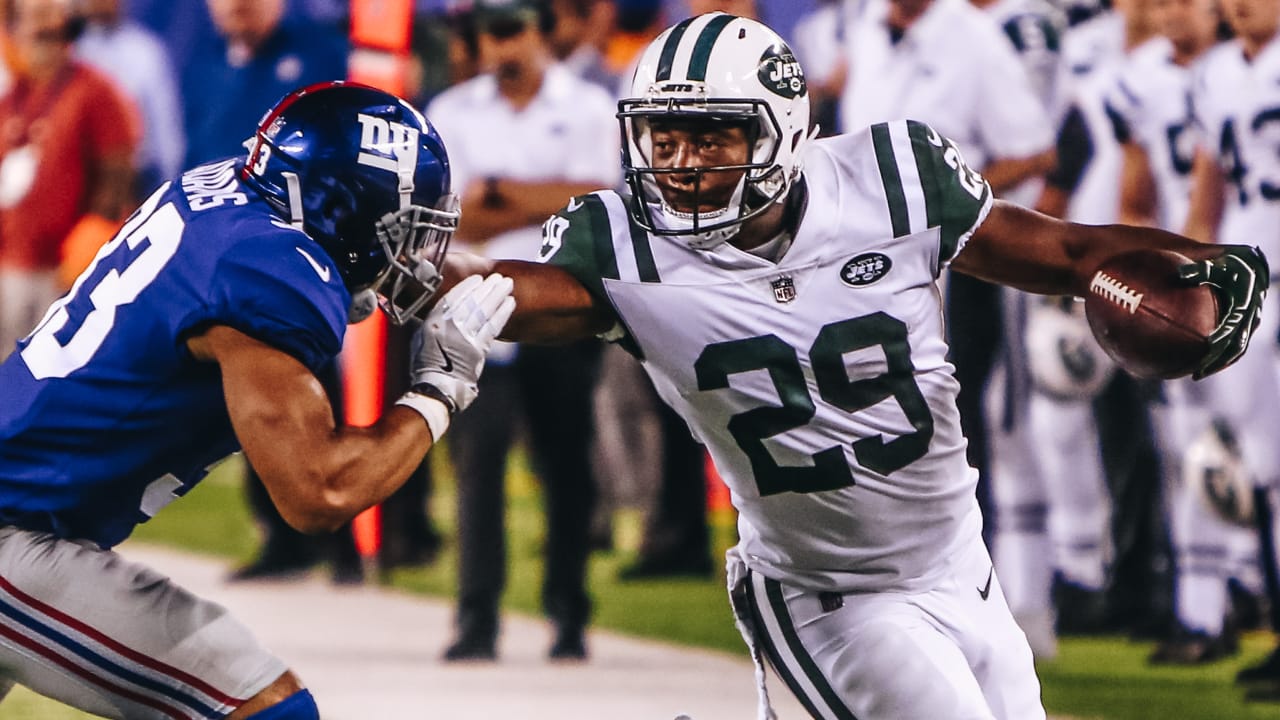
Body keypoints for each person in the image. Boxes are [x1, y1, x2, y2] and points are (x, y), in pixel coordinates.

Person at [441, 13, 1268, 718]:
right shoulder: (622, 247)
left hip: (960, 565)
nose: (684, 162)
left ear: (783, 128)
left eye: (711, 133)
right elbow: (512, 295)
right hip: (828, 595)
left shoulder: (890, 180)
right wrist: (406, 275)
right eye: (664, 136)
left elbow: (1065, 250)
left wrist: (1214, 265)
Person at [0, 81, 513, 719]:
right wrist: (439, 389)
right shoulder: (268, 275)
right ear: (344, 211)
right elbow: (321, 493)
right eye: (400, 229)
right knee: (265, 708)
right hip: (13, 534)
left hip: (26, 511)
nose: (408, 252)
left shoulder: (225, 196)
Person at [425, 0, 618, 662]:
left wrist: (500, 191)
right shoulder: (452, 113)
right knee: (476, 467)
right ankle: (475, 620)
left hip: (563, 307)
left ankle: (569, 615)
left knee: (566, 465)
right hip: (475, 311)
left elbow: (600, 204)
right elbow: (447, 221)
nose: (501, 46)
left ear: (541, 32)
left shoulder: (589, 107)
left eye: (512, 31)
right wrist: (544, 198)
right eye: (489, 34)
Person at [180, 0, 356, 581]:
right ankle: (281, 534)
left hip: (299, 251)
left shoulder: (321, 50)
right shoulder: (204, 58)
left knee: (320, 385)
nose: (236, 7)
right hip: (226, 257)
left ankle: (348, 537)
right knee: (247, 395)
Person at [1182, 0, 1280, 699]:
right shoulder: (1215, 72)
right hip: (1252, 272)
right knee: (1264, 467)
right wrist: (1191, 274)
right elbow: (1207, 187)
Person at [0, 0, 138, 359]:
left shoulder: (96, 90)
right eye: (30, 19)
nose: (38, 31)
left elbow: (120, 174)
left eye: (48, 17)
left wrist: (91, 243)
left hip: (67, 270)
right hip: (11, 264)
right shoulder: (12, 97)